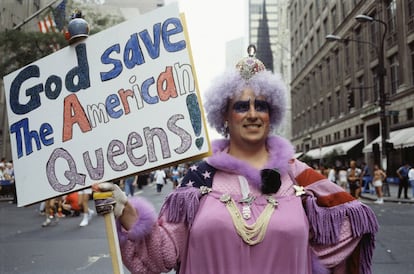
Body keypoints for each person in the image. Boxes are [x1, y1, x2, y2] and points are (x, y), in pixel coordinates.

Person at [92, 45, 378, 273]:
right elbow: (160, 257)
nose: (252, 114)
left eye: (261, 106)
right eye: (242, 106)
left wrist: (305, 258)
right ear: (225, 116)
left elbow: (352, 222)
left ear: (271, 114)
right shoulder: (196, 181)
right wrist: (125, 210)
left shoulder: (297, 176)